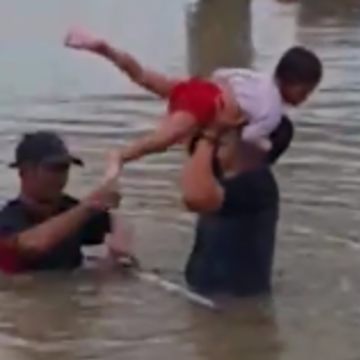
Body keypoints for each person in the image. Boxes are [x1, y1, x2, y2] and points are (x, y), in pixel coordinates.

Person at [63, 28, 321, 174]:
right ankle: (120, 157)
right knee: (161, 140)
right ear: (294, 84)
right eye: (306, 91)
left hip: (201, 86)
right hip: (206, 106)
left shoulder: (257, 78)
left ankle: (105, 49)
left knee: (143, 76)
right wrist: (263, 144)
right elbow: (246, 137)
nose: (305, 98)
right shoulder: (273, 111)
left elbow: (223, 74)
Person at [180, 115, 293, 296]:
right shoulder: (228, 176)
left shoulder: (252, 184)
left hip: (227, 301)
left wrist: (207, 138)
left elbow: (194, 196)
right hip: (213, 293)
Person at [0, 131, 130, 274]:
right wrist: (88, 206)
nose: (60, 177)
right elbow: (30, 246)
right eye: (53, 168)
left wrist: (119, 249)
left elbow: (115, 220)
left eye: (64, 168)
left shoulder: (71, 209)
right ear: (25, 172)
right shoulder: (8, 220)